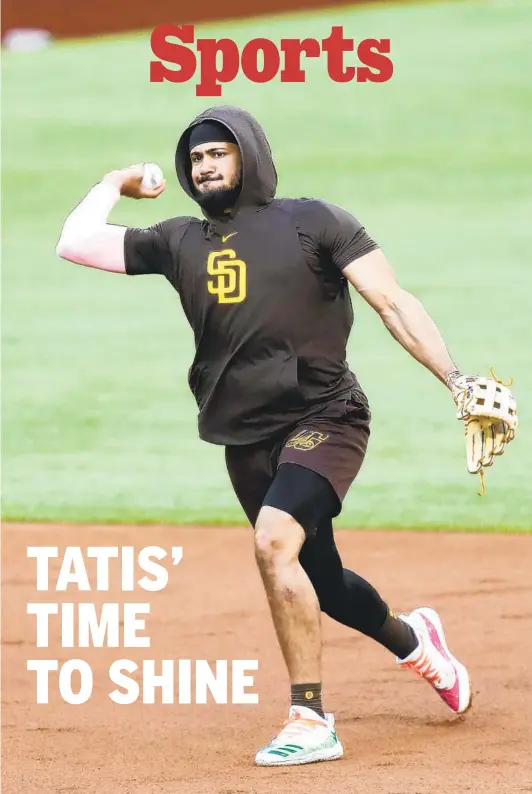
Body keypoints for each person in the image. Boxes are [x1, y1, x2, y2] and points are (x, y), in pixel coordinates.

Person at [57, 105, 482, 767]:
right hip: (245, 437)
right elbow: (76, 243)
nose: (205, 167)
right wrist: (113, 182)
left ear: (248, 155)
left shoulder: (314, 222)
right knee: (324, 579)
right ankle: (416, 641)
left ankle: (310, 718)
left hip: (326, 417)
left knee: (273, 539)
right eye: (195, 159)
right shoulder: (178, 241)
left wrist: (456, 380)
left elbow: (393, 301)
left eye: (218, 153)